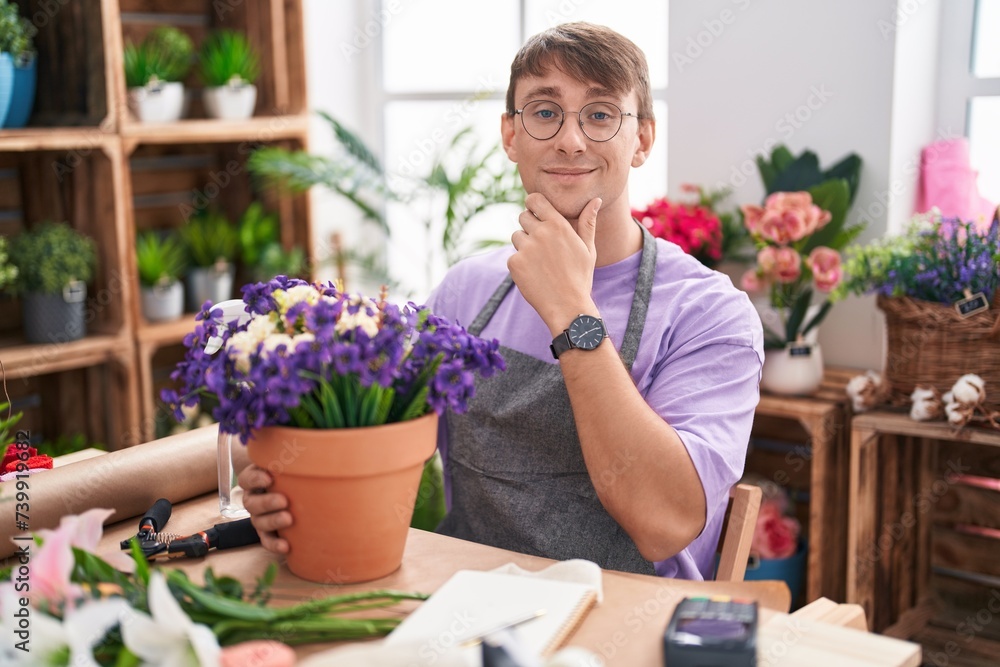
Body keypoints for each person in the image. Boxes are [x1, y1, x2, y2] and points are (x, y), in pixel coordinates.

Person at [240, 22, 763, 580]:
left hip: (628, 629)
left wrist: (572, 309)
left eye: (601, 113)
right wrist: (289, 485)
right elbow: (373, 439)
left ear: (642, 140)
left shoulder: (708, 314)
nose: (570, 140)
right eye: (544, 112)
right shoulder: (466, 290)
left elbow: (665, 520)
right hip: (466, 610)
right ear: (511, 136)